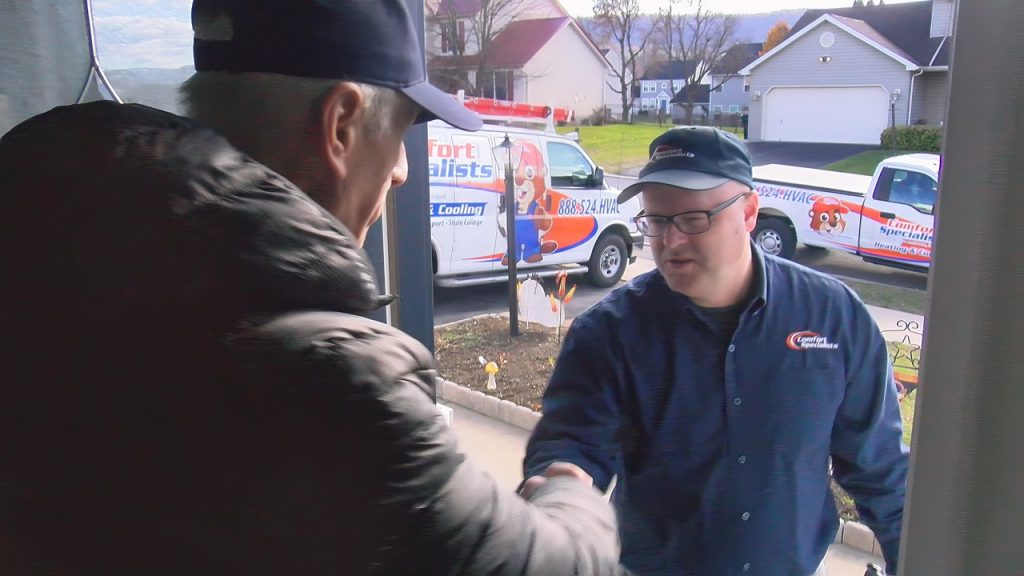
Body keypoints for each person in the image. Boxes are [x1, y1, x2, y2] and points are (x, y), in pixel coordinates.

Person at [0, 1, 624, 574]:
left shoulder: (45, 259)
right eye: (402, 132)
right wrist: (570, 489)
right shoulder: (324, 382)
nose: (404, 171)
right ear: (343, 124)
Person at [523, 126, 909, 576]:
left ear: (748, 212)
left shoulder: (834, 317)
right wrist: (562, 482)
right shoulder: (609, 333)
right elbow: (572, 443)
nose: (670, 242)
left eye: (692, 219)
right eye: (657, 221)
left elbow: (880, 469)